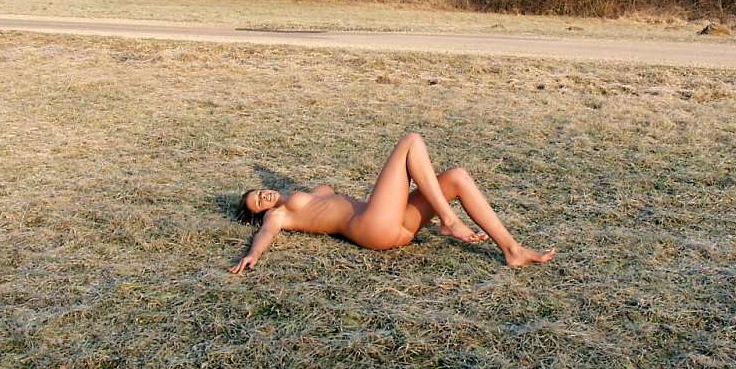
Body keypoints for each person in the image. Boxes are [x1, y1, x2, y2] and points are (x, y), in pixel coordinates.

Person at [229, 133, 555, 274]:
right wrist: (252, 255)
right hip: (370, 228)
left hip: (392, 224)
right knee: (411, 141)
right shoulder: (280, 215)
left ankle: (512, 250)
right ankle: (448, 220)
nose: (263, 197)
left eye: (259, 192)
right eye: (258, 204)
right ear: (262, 213)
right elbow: (265, 234)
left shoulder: (313, 192)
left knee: (456, 176)